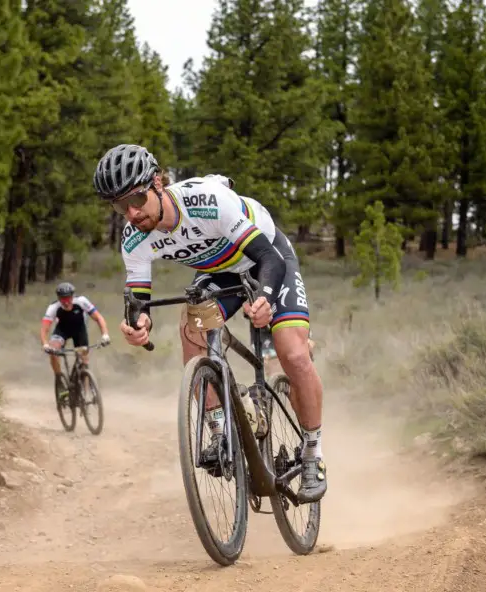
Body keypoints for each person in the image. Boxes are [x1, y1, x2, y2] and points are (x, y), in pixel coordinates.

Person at [92, 144, 326, 504]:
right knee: (192, 328)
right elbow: (138, 297)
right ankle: (219, 431)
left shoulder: (206, 201)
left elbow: (267, 258)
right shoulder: (134, 237)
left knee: (293, 355)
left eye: (137, 199)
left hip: (266, 259)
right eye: (121, 206)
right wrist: (138, 324)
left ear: (157, 183)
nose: (133, 212)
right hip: (220, 271)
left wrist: (262, 298)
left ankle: (312, 454)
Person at [40, 282, 111, 388]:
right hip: (62, 331)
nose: (66, 302)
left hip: (79, 331)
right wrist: (45, 344)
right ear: (59, 298)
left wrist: (105, 335)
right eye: (63, 299)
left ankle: (84, 394)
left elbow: (98, 318)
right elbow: (44, 329)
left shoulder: (81, 301)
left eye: (68, 299)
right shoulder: (53, 307)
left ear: (72, 296)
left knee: (84, 362)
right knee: (53, 351)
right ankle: (59, 379)